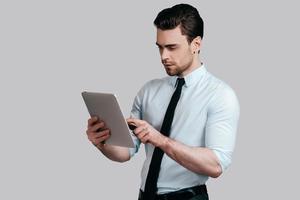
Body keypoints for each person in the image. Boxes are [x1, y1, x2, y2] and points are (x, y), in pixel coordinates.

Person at [86, 3, 240, 200]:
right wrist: (102, 143)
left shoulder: (220, 95)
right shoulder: (149, 90)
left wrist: (160, 140)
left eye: (172, 47)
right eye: (160, 47)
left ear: (196, 44)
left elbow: (216, 165)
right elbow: (126, 152)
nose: (163, 56)